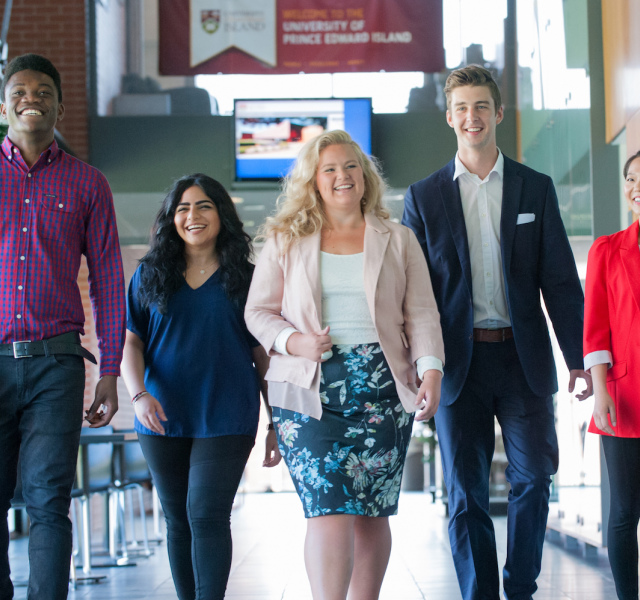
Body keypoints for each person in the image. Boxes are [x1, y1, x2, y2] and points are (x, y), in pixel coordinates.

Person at [402, 65, 593, 600]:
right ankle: (480, 593)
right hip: (455, 365)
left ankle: (521, 586)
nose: (472, 117)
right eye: (461, 108)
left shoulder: (536, 187)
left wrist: (578, 357)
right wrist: (420, 367)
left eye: (481, 106)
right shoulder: (423, 198)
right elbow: (413, 296)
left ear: (498, 113)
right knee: (465, 493)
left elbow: (559, 279)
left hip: (522, 358)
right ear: (449, 118)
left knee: (534, 479)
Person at [245, 129, 445, 600]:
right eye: (329, 169)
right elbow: (257, 313)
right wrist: (294, 341)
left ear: (365, 175)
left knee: (373, 512)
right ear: (313, 181)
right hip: (308, 391)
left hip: (382, 389)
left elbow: (421, 312)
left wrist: (431, 369)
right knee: (328, 508)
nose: (342, 177)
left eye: (350, 166)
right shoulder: (284, 240)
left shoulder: (397, 239)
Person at [0, 54, 126, 599]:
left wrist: (111, 371)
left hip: (57, 363)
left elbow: (108, 281)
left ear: (59, 103)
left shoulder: (88, 183)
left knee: (50, 499)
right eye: (21, 89)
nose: (33, 97)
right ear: (4, 103)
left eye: (44, 90)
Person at [121, 173, 281, 600]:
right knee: (177, 519)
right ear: (171, 219)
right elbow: (130, 343)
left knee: (207, 514)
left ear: (221, 214)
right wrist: (137, 396)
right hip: (161, 413)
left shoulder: (248, 278)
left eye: (204, 206)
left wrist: (275, 421)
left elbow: (264, 355)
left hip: (227, 413)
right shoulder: (148, 276)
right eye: (183, 208)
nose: (193, 216)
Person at [583, 150, 640, 600]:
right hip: (625, 399)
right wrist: (600, 389)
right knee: (624, 511)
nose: (636, 186)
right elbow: (596, 328)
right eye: (631, 178)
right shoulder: (606, 250)